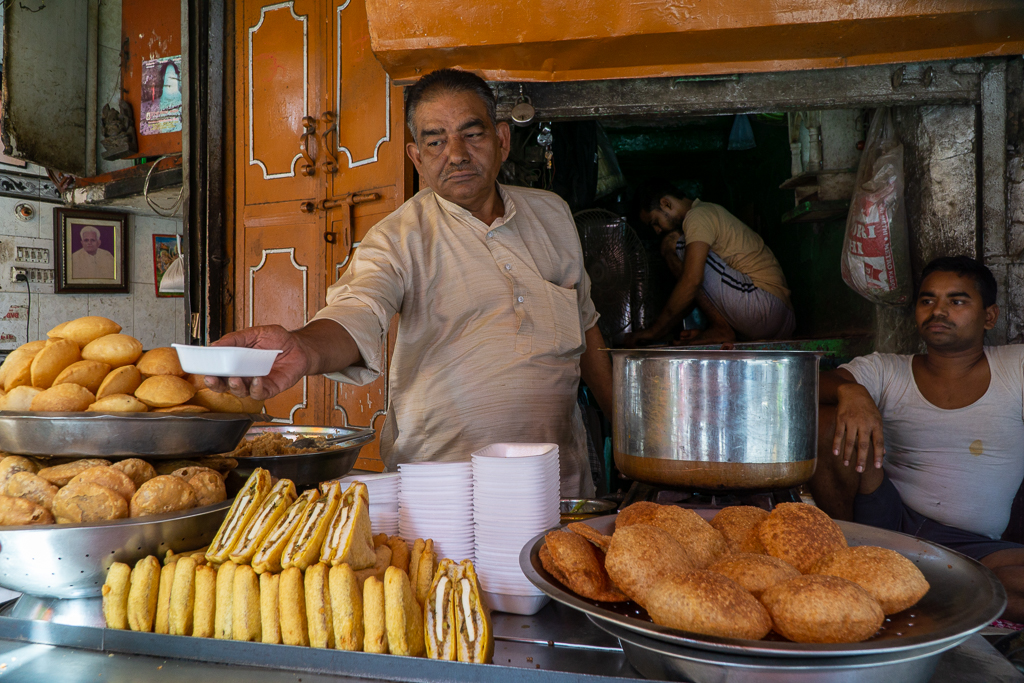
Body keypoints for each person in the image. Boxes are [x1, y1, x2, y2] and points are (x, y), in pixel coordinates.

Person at [205, 69, 613, 497]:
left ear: (502, 140)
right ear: (416, 158)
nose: (455, 154)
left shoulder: (554, 215)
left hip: (561, 486)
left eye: (472, 134)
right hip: (445, 493)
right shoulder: (397, 237)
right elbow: (356, 309)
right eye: (435, 141)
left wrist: (623, 435)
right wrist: (303, 348)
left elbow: (586, 328)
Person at [811, 256, 1024, 621]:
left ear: (989, 317)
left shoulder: (1015, 367)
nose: (938, 310)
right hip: (883, 521)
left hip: (972, 546)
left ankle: (919, 593)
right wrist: (852, 393)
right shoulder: (885, 369)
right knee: (827, 418)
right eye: (928, 301)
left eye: (957, 301)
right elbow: (812, 383)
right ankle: (845, 562)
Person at [625, 183, 794, 345]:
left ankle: (721, 328)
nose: (657, 230)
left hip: (764, 307)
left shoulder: (698, 215)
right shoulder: (708, 212)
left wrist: (655, 331)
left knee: (671, 243)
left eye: (655, 222)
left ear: (666, 203)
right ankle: (720, 328)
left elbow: (692, 280)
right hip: (782, 319)